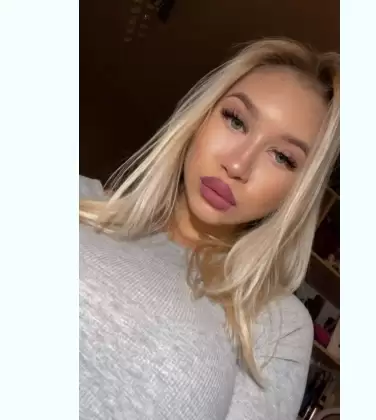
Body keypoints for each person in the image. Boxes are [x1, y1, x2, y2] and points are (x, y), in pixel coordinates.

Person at [79, 38, 339, 420]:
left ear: (298, 194)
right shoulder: (79, 199)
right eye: (236, 120)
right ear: (201, 117)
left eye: (283, 157)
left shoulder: (277, 324)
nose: (238, 164)